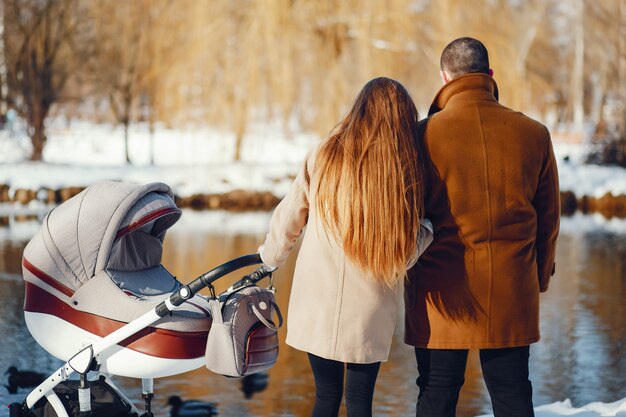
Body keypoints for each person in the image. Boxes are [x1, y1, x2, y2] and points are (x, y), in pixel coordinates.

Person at [404, 37, 560, 417]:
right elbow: (549, 220)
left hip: (440, 293)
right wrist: (537, 279)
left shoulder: (421, 136)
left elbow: (408, 217)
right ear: (490, 74)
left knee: (437, 392)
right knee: (512, 394)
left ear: (444, 77)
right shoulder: (534, 133)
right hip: (510, 288)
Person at [259, 77, 434, 417]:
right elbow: (405, 254)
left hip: (315, 299)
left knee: (324, 395)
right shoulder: (400, 172)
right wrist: (428, 228)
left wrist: (270, 258)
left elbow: (290, 216)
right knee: (359, 402)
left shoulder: (324, 153)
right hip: (368, 308)